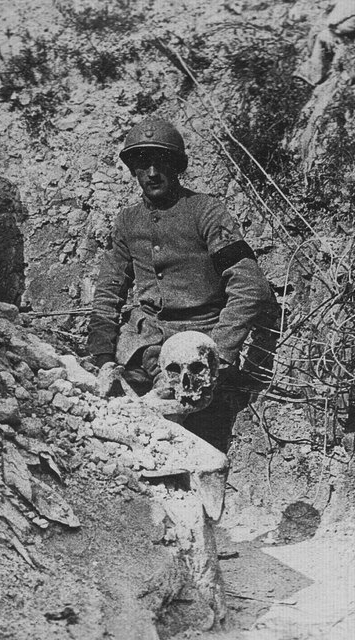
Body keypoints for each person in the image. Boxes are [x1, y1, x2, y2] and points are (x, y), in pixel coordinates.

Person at [87, 118, 277, 451]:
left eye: (161, 162)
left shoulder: (206, 212)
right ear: (132, 171)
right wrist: (102, 354)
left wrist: (217, 351)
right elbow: (108, 290)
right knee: (110, 422)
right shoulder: (127, 220)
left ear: (177, 166)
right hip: (142, 345)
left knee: (188, 433)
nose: (152, 173)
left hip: (196, 343)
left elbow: (250, 288)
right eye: (141, 164)